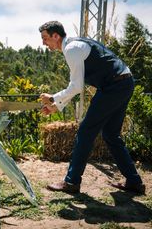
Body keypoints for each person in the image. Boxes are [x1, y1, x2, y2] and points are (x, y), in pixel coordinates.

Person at [38, 21, 145, 194]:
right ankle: (134, 182)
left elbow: (76, 87)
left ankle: (72, 182)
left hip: (113, 86)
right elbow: (76, 86)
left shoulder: (71, 49)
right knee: (110, 134)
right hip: (124, 82)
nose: (43, 43)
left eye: (45, 38)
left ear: (55, 36)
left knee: (85, 131)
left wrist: (53, 98)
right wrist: (57, 105)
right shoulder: (75, 44)